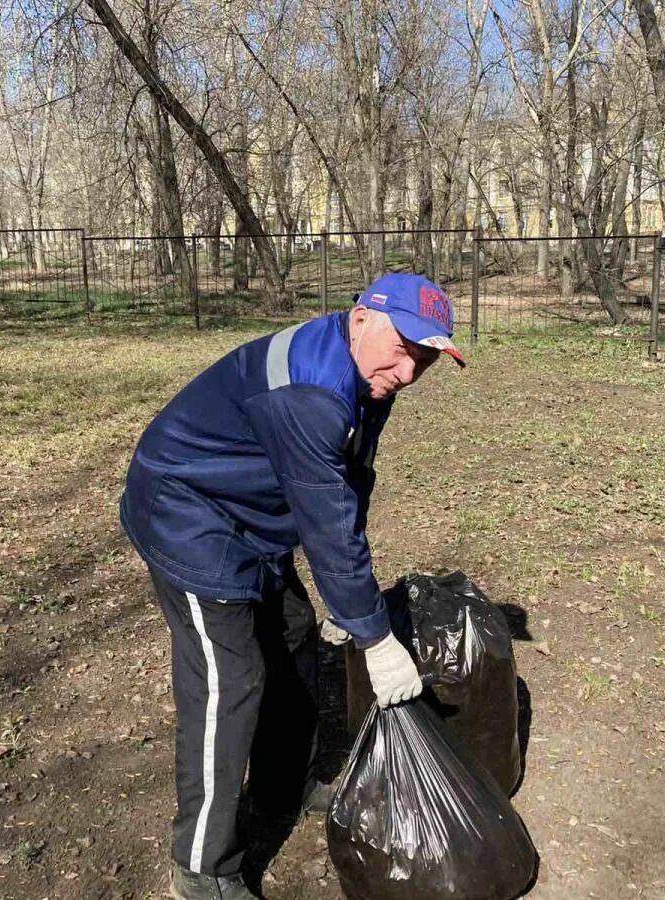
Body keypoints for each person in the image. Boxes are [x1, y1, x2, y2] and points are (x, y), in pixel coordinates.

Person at [119, 272, 465, 900]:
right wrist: (374, 635)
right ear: (361, 319)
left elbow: (349, 481)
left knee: (296, 632)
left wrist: (349, 606)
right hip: (187, 512)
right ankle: (201, 868)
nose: (410, 373)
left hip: (248, 512)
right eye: (404, 349)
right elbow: (326, 524)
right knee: (231, 680)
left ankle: (285, 784)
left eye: (425, 359)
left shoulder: (366, 373)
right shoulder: (311, 391)